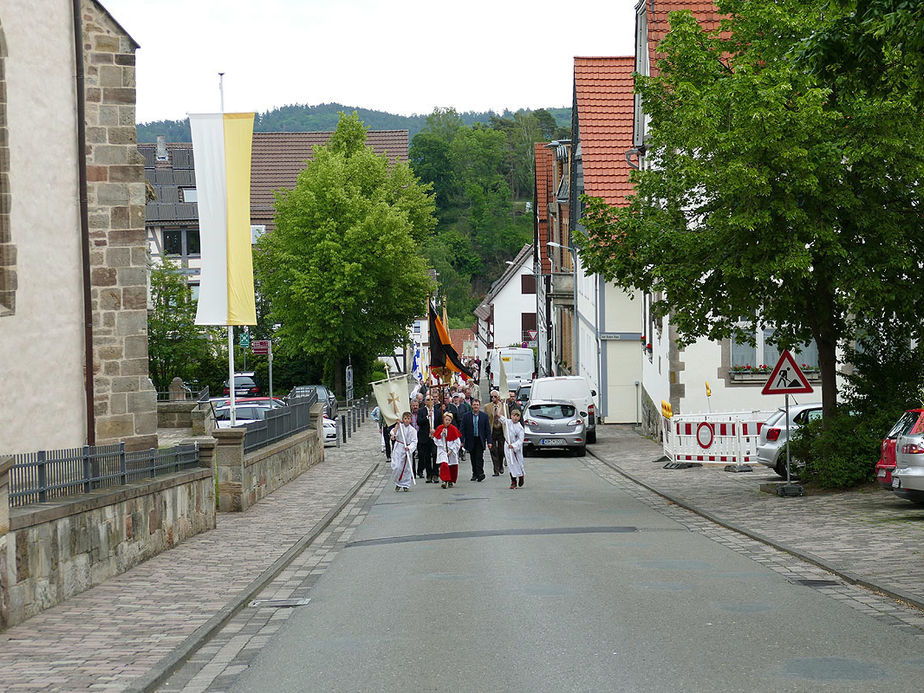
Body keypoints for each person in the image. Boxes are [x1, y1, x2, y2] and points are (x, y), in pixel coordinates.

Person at [461, 398, 492, 482]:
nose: (475, 406)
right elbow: (462, 429)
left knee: (479, 457)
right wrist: (461, 441)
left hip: (480, 439)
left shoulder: (484, 416)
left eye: (477, 405)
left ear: (479, 406)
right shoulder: (466, 416)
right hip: (470, 439)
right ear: (472, 406)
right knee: (473, 457)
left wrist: (489, 441)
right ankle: (474, 473)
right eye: (474, 405)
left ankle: (480, 473)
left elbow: (488, 430)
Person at [390, 411, 417, 492]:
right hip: (399, 448)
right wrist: (397, 426)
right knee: (397, 466)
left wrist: (409, 447)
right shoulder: (400, 427)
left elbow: (414, 441)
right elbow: (393, 434)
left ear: (411, 420)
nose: (406, 420)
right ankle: (397, 482)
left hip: (407, 449)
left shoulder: (412, 430)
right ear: (402, 419)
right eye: (405, 418)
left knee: (406, 468)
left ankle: (405, 484)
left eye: (408, 418)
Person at [433, 411, 462, 488]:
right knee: (444, 465)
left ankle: (451, 480)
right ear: (443, 420)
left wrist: (451, 450)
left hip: (451, 450)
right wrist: (441, 434)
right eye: (446, 420)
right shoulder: (440, 428)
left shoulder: (454, 429)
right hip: (442, 450)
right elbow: (436, 440)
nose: (447, 421)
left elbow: (457, 442)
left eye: (449, 420)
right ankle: (444, 480)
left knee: (452, 466)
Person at [499, 408, 525, 488]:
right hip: (507, 446)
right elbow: (498, 415)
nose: (515, 417)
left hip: (516, 449)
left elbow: (521, 440)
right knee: (510, 464)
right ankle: (513, 481)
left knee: (518, 463)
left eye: (517, 416)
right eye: (514, 415)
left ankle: (521, 476)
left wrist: (514, 445)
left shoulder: (520, 428)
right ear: (511, 416)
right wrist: (501, 404)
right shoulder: (508, 422)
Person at [417, 394, 437, 482]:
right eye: (428, 400)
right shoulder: (421, 411)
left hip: (435, 437)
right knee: (427, 456)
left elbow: (440, 423)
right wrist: (427, 417)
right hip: (425, 437)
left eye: (431, 399)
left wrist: (436, 430)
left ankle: (436, 474)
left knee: (435, 454)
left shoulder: (437, 411)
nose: (430, 401)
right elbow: (419, 422)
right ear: (425, 401)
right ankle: (429, 474)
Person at [487, 390, 506, 476]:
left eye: (495, 396)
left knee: (501, 450)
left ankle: (501, 464)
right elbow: (487, 420)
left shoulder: (504, 406)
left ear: (498, 397)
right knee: (493, 450)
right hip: (493, 430)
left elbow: (507, 417)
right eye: (492, 397)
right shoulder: (488, 407)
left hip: (501, 430)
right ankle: (496, 469)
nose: (493, 398)